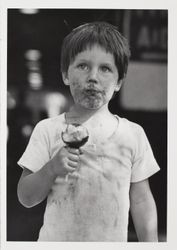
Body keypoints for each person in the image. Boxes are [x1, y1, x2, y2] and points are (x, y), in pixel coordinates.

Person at [17, 22, 160, 242]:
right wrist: (51, 169)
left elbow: (141, 200)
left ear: (119, 81)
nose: (93, 76)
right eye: (83, 66)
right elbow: (26, 196)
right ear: (66, 74)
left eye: (105, 68)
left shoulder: (133, 134)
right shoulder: (47, 130)